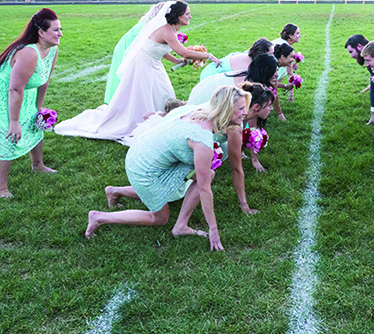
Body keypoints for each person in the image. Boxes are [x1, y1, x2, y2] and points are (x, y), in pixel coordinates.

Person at [85, 85, 250, 251]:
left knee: (208, 174)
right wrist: (213, 230)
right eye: (241, 108)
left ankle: (179, 225)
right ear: (226, 109)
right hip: (143, 169)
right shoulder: (202, 139)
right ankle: (100, 217)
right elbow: (204, 189)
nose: (245, 112)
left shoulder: (197, 110)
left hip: (143, 152)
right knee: (159, 218)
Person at [55, 1, 220, 142]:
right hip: (144, 64)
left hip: (152, 63)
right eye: (187, 13)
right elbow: (183, 51)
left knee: (162, 91)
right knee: (148, 94)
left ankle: (156, 119)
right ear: (178, 15)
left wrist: (176, 61)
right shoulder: (167, 30)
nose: (190, 16)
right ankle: (145, 121)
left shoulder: (170, 29)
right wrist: (209, 55)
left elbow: (161, 48)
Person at [0, 8, 61, 198]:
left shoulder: (52, 49)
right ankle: (0, 189)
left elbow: (44, 79)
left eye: (60, 29)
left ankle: (38, 166)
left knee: (34, 122)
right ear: (41, 32)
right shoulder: (28, 53)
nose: (60, 34)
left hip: (19, 88)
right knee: (6, 134)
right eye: (55, 30)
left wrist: (39, 108)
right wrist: (14, 121)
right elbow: (14, 89)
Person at [104, 1, 165, 103]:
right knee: (129, 77)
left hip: (128, 47)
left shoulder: (150, 24)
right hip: (127, 49)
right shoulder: (149, 27)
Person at [188, 54, 278, 106]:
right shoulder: (246, 85)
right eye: (274, 71)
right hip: (203, 101)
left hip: (204, 94)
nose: (277, 75)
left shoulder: (248, 73)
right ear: (266, 72)